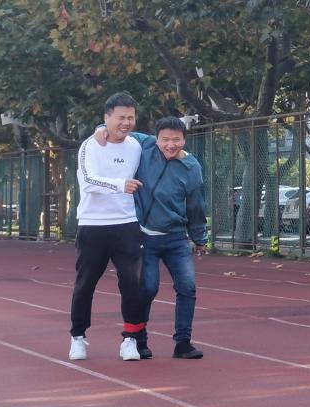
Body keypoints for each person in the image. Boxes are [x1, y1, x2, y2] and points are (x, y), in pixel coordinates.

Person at [95, 116, 207, 360]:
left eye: (176, 140)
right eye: (165, 139)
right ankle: (139, 340)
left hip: (176, 237)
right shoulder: (143, 145)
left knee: (187, 287)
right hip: (144, 236)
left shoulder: (192, 168)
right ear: (156, 139)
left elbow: (196, 205)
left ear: (184, 140)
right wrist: (101, 129)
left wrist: (199, 238)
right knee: (147, 287)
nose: (170, 145)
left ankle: (183, 342)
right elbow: (119, 131)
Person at [69, 92, 145, 361]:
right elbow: (88, 181)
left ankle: (130, 340)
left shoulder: (136, 146)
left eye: (131, 117)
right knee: (86, 283)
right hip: (93, 226)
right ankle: (78, 337)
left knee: (133, 282)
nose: (126, 123)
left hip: (126, 225)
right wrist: (120, 184)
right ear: (106, 118)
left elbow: (162, 142)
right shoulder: (90, 146)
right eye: (120, 117)